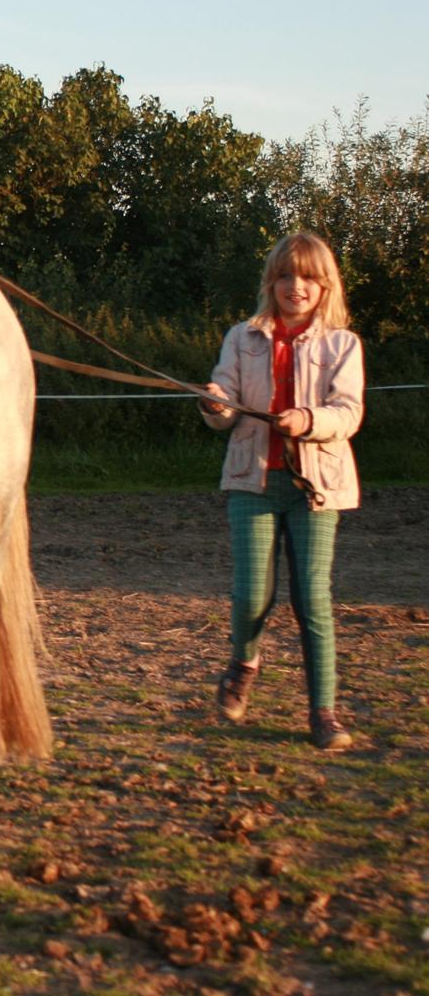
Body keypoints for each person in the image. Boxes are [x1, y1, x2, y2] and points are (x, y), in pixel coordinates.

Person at [200, 232, 364, 750]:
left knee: (312, 598)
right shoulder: (241, 338)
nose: (297, 286)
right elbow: (224, 407)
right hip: (253, 480)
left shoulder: (343, 345)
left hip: (315, 488)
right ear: (271, 282)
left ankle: (323, 711)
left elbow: (349, 413)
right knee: (252, 592)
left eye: (308, 277)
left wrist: (308, 420)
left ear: (325, 286)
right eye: (287, 275)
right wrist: (214, 403)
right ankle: (243, 665)